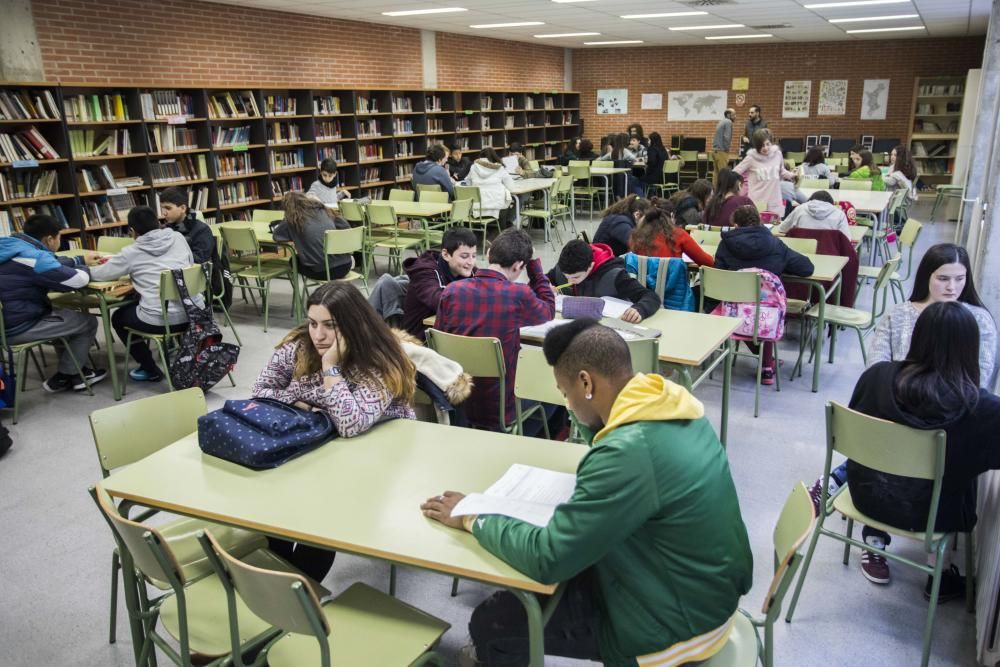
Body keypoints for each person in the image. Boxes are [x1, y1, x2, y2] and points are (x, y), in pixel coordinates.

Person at [420, 319, 753, 667]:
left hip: (678, 627)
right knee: (539, 581)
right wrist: (586, 405)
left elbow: (549, 559)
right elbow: (603, 440)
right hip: (698, 589)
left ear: (586, 382)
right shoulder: (663, 403)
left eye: (565, 394)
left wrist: (473, 516)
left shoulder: (627, 452)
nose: (567, 406)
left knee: (495, 622)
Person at [252, 281, 416, 581]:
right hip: (318, 447)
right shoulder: (298, 348)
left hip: (374, 459)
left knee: (318, 521)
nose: (318, 335)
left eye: (330, 325)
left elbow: (349, 423)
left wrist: (330, 368)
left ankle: (297, 592)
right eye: (313, 323)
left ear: (353, 325)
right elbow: (260, 391)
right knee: (272, 509)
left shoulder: (380, 361)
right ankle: (276, 587)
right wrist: (304, 405)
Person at [833, 302, 1000, 597]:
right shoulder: (981, 408)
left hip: (866, 497)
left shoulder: (876, 378)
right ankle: (941, 571)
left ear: (917, 336)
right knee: (965, 472)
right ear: (971, 348)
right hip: (932, 516)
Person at [436, 229, 554, 431]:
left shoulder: (452, 291)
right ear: (518, 266)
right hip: (501, 407)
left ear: (489, 254)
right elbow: (548, 310)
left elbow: (439, 341)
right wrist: (535, 267)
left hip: (456, 401)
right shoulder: (518, 294)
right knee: (552, 391)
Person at [89, 206, 201, 382]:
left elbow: (103, 274)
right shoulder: (178, 237)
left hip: (160, 320)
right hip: (194, 313)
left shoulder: (131, 252)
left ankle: (150, 369)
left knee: (118, 318)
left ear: (132, 231)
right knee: (141, 304)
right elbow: (188, 263)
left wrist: (82, 268)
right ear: (158, 223)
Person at [0, 214, 106, 392]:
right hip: (20, 325)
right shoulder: (35, 258)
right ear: (50, 239)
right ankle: (69, 376)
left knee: (63, 314)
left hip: (6, 320)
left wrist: (77, 260)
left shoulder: (12, 246)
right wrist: (85, 268)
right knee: (87, 322)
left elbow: (47, 263)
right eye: (59, 238)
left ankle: (76, 370)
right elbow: (76, 281)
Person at [869, 243, 996, 387]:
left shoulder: (980, 319)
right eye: (943, 279)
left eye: (959, 279)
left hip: (957, 404)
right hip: (900, 398)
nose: (951, 287)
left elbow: (981, 375)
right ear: (926, 276)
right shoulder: (898, 314)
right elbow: (876, 365)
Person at [714, 205, 814, 384]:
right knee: (767, 306)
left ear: (735, 225)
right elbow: (807, 268)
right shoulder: (775, 244)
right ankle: (767, 366)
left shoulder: (725, 244)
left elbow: (718, 274)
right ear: (760, 222)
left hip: (732, 311)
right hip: (766, 315)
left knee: (745, 307)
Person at [547, 239, 661, 323]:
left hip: (610, 330)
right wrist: (544, 285)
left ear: (591, 266)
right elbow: (545, 279)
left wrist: (640, 309)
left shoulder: (615, 275)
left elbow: (651, 296)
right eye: (566, 276)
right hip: (572, 325)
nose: (569, 281)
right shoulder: (565, 267)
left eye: (576, 277)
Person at [159, 186, 232, 306]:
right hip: (172, 277)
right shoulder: (166, 229)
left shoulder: (201, 230)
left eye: (168, 208)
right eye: (162, 208)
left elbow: (199, 260)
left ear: (182, 208)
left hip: (196, 281)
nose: (164, 213)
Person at [401, 227, 478, 338]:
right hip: (420, 340)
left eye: (474, 256)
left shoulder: (468, 270)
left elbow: (487, 287)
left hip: (447, 334)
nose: (471, 262)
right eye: (464, 256)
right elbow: (439, 301)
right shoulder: (424, 271)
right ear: (446, 255)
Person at [270, 191, 352, 281]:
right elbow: (345, 226)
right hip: (346, 265)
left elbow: (277, 236)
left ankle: (300, 293)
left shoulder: (292, 219)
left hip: (324, 271)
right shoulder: (323, 210)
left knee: (293, 261)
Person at [733, 129, 796, 216]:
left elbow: (782, 171)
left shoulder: (777, 154)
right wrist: (740, 187)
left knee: (775, 227)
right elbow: (734, 173)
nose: (765, 148)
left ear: (771, 142)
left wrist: (792, 175)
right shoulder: (751, 158)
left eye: (767, 144)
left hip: (774, 200)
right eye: (762, 146)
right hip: (757, 200)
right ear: (756, 146)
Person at [630, 205, 714, 267]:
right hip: (674, 289)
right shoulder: (679, 235)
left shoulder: (636, 237)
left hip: (642, 288)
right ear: (671, 216)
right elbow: (707, 262)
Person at [464, 147, 516, 221]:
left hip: (477, 208)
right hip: (497, 207)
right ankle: (508, 224)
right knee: (512, 200)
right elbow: (510, 186)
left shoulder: (473, 167)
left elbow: (468, 183)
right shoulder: (499, 168)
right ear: (494, 157)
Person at [777, 190, 851, 239]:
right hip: (830, 254)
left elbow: (782, 229)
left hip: (800, 252)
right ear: (831, 203)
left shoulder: (800, 209)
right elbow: (847, 238)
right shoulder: (839, 214)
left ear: (810, 199)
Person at [712, 107, 735, 174]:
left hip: (715, 151)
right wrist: (727, 150)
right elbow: (726, 137)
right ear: (728, 115)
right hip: (722, 151)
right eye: (734, 114)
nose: (735, 116)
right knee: (724, 174)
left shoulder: (721, 121)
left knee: (716, 174)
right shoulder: (728, 122)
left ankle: (714, 185)